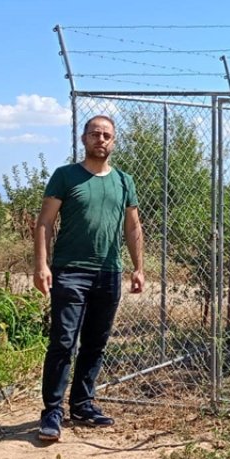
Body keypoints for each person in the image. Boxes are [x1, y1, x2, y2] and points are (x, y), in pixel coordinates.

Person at [33, 115, 145, 442]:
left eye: (107, 135)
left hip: (109, 272)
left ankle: (82, 404)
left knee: (95, 343)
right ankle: (52, 411)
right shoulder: (65, 176)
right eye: (95, 133)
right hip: (70, 271)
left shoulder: (124, 181)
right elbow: (44, 223)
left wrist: (138, 268)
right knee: (64, 342)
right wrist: (42, 265)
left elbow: (133, 226)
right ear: (84, 139)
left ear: (113, 142)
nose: (101, 139)